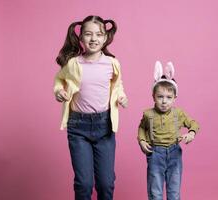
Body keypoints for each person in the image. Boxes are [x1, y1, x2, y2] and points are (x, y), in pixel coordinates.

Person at [53, 15, 128, 200]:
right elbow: (59, 80)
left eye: (98, 34)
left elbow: (118, 86)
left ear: (105, 38)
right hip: (78, 128)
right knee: (84, 183)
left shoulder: (112, 63)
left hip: (105, 127)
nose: (93, 39)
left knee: (106, 183)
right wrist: (58, 92)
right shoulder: (73, 63)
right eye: (88, 34)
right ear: (81, 38)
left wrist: (121, 96)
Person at [138, 61, 199, 200]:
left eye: (168, 97)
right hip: (155, 154)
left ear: (174, 98)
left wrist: (191, 133)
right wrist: (142, 141)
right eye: (160, 97)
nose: (164, 101)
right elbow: (142, 128)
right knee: (155, 192)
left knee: (174, 192)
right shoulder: (148, 114)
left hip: (174, 154)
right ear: (153, 96)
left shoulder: (179, 113)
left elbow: (193, 123)